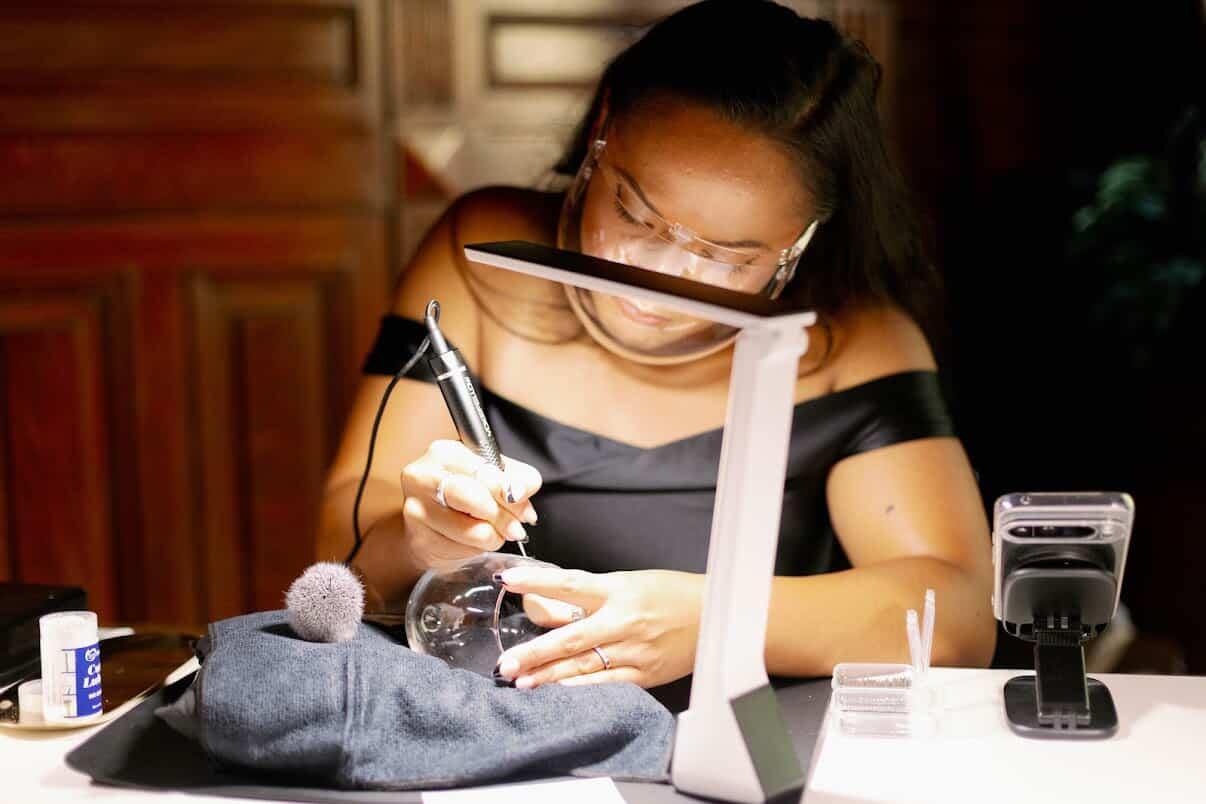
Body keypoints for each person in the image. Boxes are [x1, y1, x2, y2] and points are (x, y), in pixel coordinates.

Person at [318, 0, 995, 692]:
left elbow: (960, 619)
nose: (657, 277)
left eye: (728, 255)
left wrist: (719, 619)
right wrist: (421, 539)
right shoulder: (480, 258)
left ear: (803, 240)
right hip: (504, 741)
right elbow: (343, 561)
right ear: (604, 127)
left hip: (752, 749)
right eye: (634, 212)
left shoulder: (853, 339)